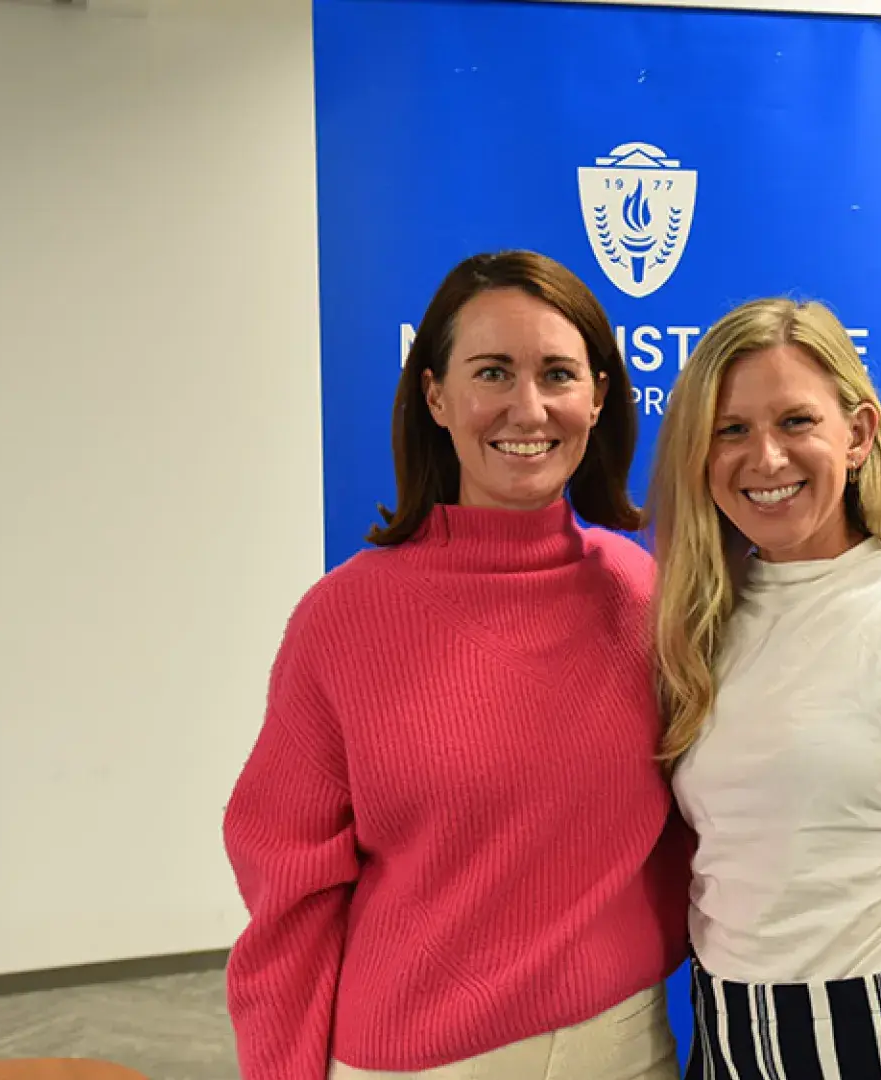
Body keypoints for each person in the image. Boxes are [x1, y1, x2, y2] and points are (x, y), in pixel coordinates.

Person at [221, 250, 690, 1080]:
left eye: (557, 373)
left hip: (621, 1044)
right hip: (419, 1060)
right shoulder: (342, 620)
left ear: (600, 396)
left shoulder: (644, 597)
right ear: (436, 395)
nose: (528, 406)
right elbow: (289, 892)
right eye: (492, 373)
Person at [646, 297, 881, 1080]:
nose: (766, 458)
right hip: (725, 1031)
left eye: (796, 422)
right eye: (731, 430)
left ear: (856, 435)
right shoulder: (699, 621)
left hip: (874, 1032)